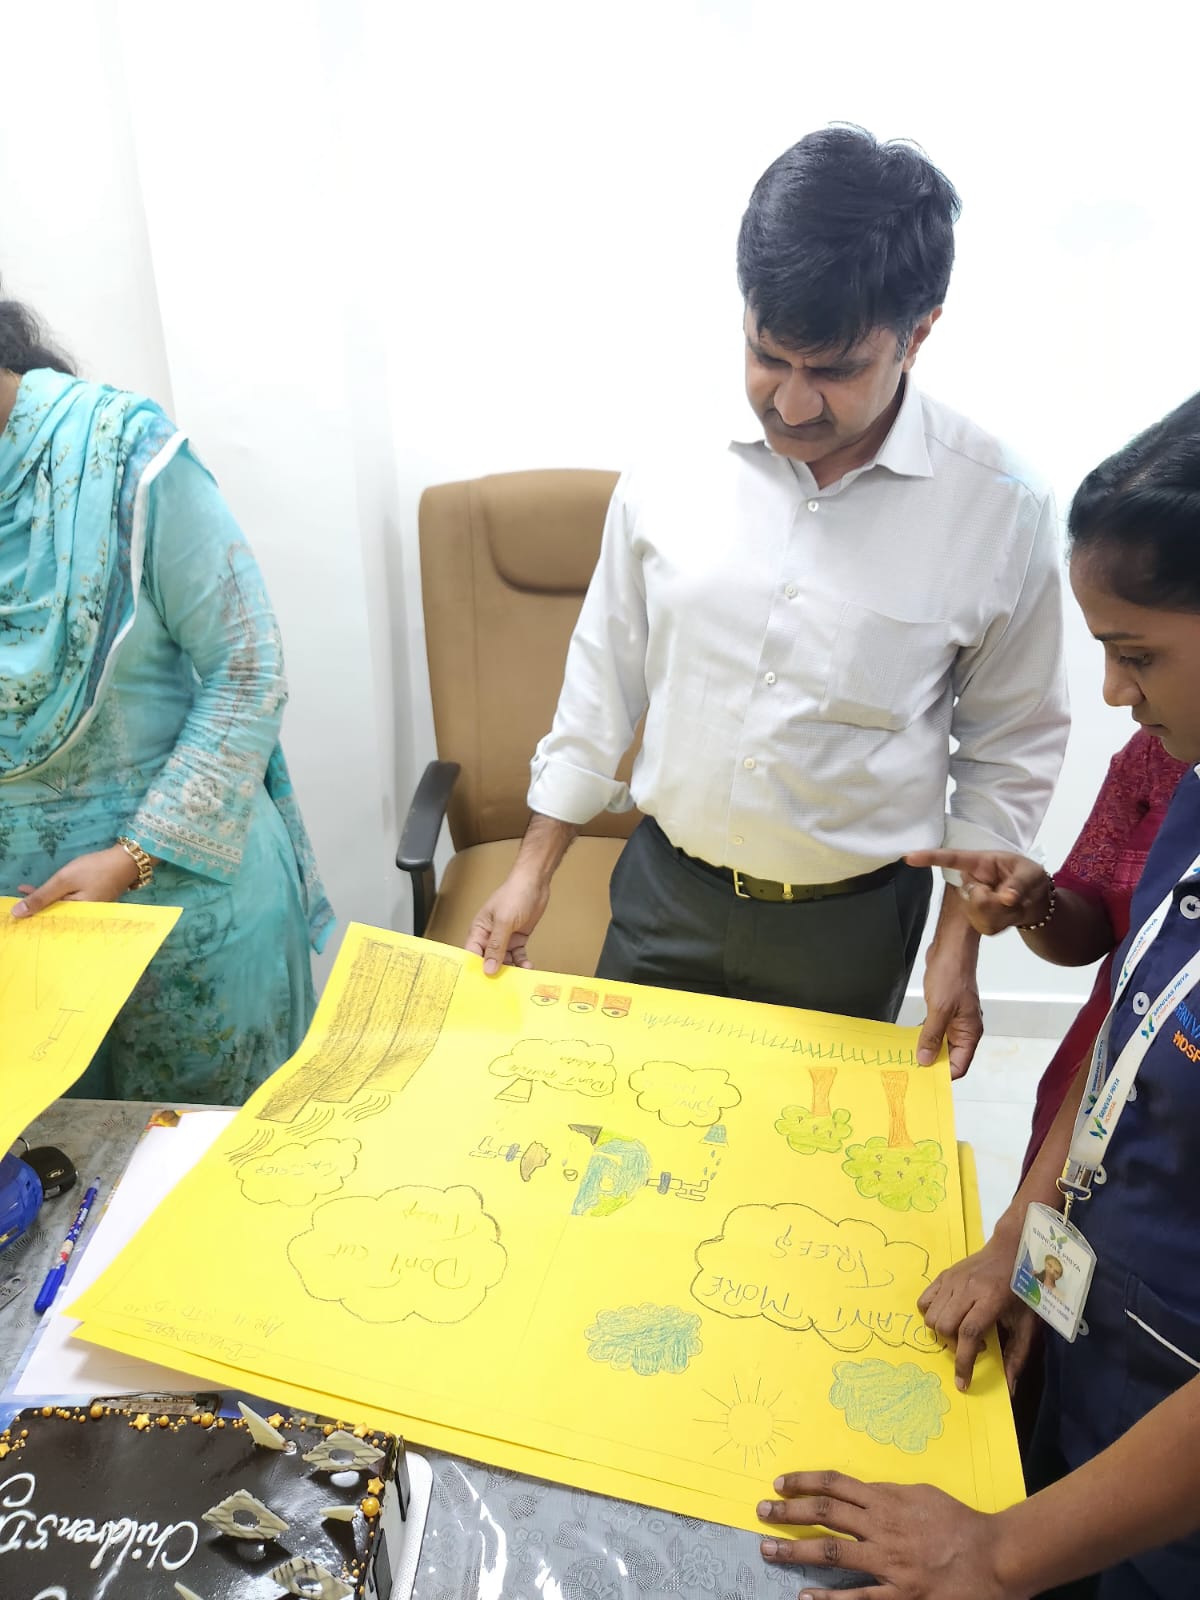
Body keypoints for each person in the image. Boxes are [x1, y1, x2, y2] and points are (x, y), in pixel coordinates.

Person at [465, 125, 1068, 1076]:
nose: (790, 404)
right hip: (665, 895)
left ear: (918, 335)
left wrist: (957, 943)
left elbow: (1008, 746)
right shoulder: (671, 463)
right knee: (616, 1135)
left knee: (800, 1159)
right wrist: (532, 871)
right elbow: (603, 677)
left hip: (851, 929)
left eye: (833, 371)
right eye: (767, 356)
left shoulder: (1000, 510)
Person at [756, 391, 1200, 1598]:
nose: (1115, 695)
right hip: (1098, 1333)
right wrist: (1017, 1236)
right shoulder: (1191, 781)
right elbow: (1126, 1029)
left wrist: (1000, 1553)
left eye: (1138, 655)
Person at [0, 294, 332, 1105]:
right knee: (54, 1178)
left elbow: (247, 667)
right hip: (25, 946)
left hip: (184, 908)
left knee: (208, 1167)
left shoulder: (125, 455)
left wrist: (133, 857)